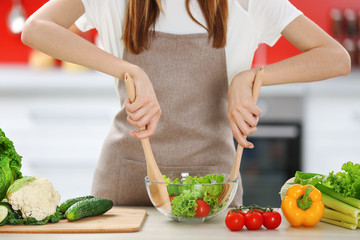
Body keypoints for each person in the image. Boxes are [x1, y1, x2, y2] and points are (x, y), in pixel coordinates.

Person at [21, 0, 350, 206]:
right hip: (123, 189)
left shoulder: (250, 4)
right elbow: (35, 29)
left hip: (213, 193)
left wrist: (252, 76)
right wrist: (127, 69)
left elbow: (336, 57)